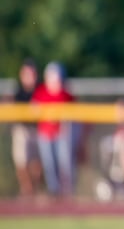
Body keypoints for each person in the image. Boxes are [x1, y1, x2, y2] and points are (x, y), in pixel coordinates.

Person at [32, 61, 77, 197]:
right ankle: (54, 191)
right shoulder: (41, 92)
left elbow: (74, 112)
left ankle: (68, 191)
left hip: (61, 134)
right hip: (45, 134)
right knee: (49, 164)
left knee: (65, 163)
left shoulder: (66, 94)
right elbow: (33, 108)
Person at [8, 59, 43, 197]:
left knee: (36, 162)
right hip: (21, 129)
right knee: (21, 161)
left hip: (37, 129)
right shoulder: (17, 93)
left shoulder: (40, 90)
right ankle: (26, 190)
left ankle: (35, 190)